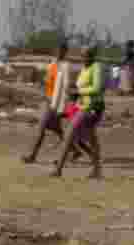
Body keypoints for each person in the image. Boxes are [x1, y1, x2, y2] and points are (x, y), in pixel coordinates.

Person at [53, 46, 105, 178]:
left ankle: (58, 169)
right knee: (92, 140)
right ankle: (97, 170)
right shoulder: (84, 69)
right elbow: (80, 87)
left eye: (86, 55)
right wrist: (72, 93)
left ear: (92, 55)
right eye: (82, 55)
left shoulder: (96, 67)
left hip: (92, 108)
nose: (84, 58)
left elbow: (97, 88)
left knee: (69, 135)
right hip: (81, 106)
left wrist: (78, 91)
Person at [22, 42, 72, 164]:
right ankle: (73, 150)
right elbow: (47, 81)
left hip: (55, 102)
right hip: (48, 99)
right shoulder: (52, 64)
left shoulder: (65, 66)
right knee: (57, 129)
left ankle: (32, 155)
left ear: (65, 52)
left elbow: (65, 86)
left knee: (42, 127)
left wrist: (63, 103)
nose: (59, 52)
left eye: (61, 50)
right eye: (57, 50)